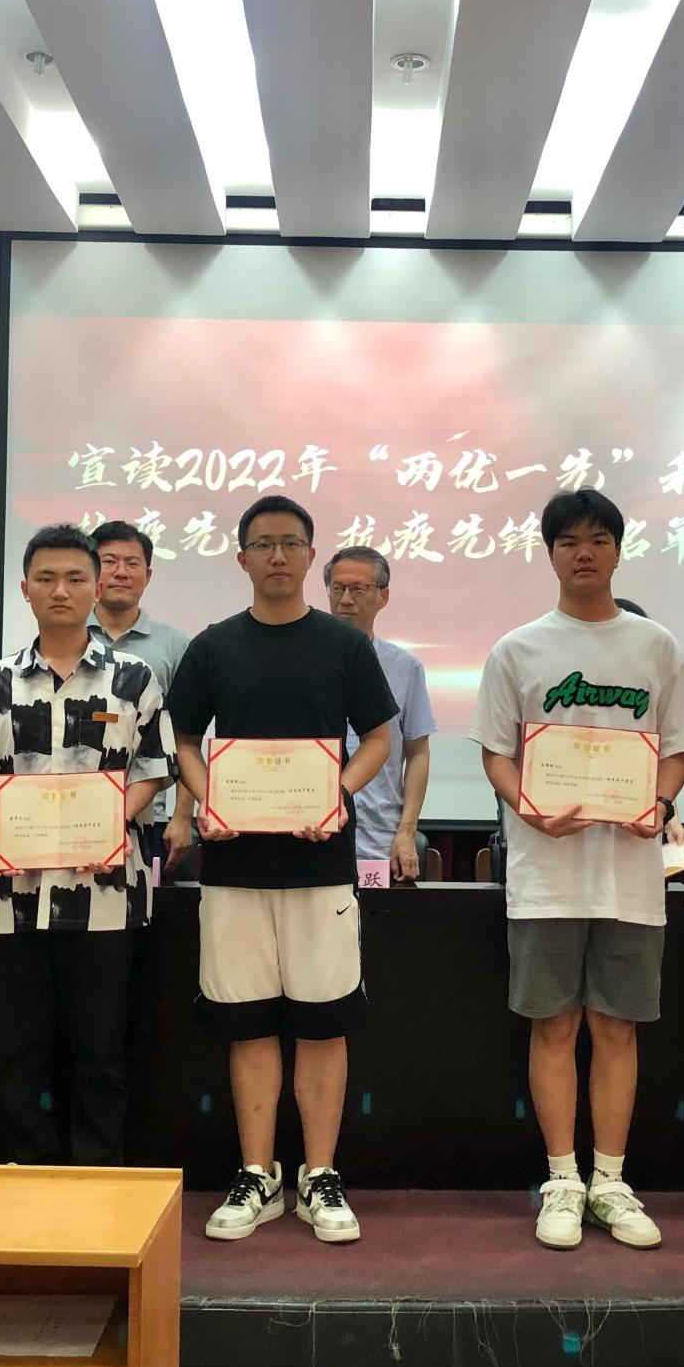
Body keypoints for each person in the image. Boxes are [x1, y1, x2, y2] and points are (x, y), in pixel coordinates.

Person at [472, 490, 684, 1252]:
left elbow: (677, 747)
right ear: (550, 553)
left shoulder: (656, 647)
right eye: (569, 540)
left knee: (616, 1028)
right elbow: (496, 753)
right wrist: (530, 807)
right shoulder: (519, 649)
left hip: (629, 874)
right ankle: (563, 1180)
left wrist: (660, 802)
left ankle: (610, 1181)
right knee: (554, 1024)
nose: (584, 552)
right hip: (547, 873)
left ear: (618, 551)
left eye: (599, 539)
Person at [168, 495, 395, 1245]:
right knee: (247, 1024)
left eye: (290, 543)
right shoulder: (212, 646)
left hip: (321, 865)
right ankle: (257, 1173)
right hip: (234, 867)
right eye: (262, 544)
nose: (276, 556)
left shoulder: (344, 644)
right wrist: (208, 800)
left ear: (310, 556)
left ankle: (319, 1175)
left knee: (324, 1024)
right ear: (241, 558)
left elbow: (379, 737)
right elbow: (186, 742)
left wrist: (339, 793)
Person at [0, 525, 173, 1165]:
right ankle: (29, 1172)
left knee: (101, 1048)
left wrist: (106, 823)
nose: (61, 590)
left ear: (96, 588)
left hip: (106, 894)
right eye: (46, 578)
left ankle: (98, 1175)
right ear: (24, 590)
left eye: (76, 578)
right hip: (15, 895)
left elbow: (154, 768)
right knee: (19, 1048)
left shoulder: (133, 679)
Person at [324, 545, 436, 880]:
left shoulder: (404, 667)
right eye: (337, 588)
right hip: (316, 835)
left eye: (358, 589)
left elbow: (418, 753)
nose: (346, 599)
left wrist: (406, 832)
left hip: (381, 840)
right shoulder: (305, 661)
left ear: (383, 597)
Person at [88, 520, 190, 873]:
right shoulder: (66, 636)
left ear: (147, 576)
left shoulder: (175, 644)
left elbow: (185, 734)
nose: (121, 572)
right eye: (109, 561)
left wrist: (182, 815)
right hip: (74, 808)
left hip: (151, 814)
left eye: (132, 564)